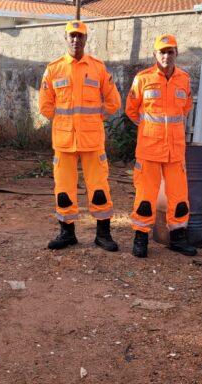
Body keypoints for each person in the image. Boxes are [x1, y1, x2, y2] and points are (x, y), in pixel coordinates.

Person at [39, 20, 121, 252]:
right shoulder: (53, 69)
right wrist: (65, 122)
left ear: (86, 39)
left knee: (99, 188)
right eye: (72, 36)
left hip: (92, 141)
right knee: (64, 189)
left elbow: (114, 102)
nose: (76, 40)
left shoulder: (98, 68)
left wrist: (94, 119)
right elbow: (45, 106)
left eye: (80, 36)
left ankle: (103, 235)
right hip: (64, 142)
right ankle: (67, 234)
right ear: (65, 38)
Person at [125, 34, 197, 258]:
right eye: (162, 52)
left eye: (171, 51)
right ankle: (141, 237)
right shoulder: (142, 78)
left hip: (175, 151)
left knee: (179, 197)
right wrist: (150, 131)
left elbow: (185, 107)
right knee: (146, 196)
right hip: (149, 151)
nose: (166, 56)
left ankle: (178, 237)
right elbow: (131, 110)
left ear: (176, 54)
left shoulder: (184, 79)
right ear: (155, 54)